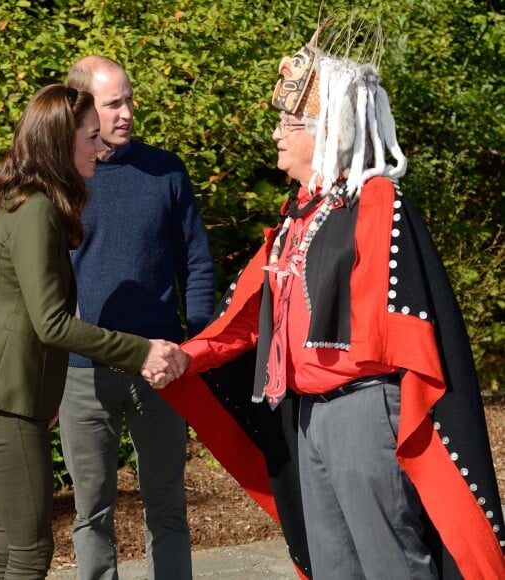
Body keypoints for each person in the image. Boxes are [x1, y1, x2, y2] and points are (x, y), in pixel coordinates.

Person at [159, 15, 505, 580]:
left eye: (289, 122)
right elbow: (248, 315)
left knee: (390, 562)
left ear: (326, 131)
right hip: (308, 416)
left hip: (363, 409)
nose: (276, 132)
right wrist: (185, 357)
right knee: (331, 565)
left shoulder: (373, 202)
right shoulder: (298, 215)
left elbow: (394, 324)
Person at [0, 84, 188, 579]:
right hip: (7, 397)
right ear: (60, 142)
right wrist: (140, 350)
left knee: (8, 552)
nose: (101, 151)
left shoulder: (25, 197)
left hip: (3, 390)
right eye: (90, 139)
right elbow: (51, 322)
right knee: (30, 555)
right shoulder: (36, 208)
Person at [58, 56, 214, 579]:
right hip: (81, 372)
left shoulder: (165, 170)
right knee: (91, 512)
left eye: (129, 98)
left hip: (163, 367)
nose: (127, 112)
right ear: (83, 108)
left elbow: (195, 261)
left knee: (167, 506)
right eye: (113, 103)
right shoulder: (62, 179)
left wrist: (197, 348)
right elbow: (42, 288)